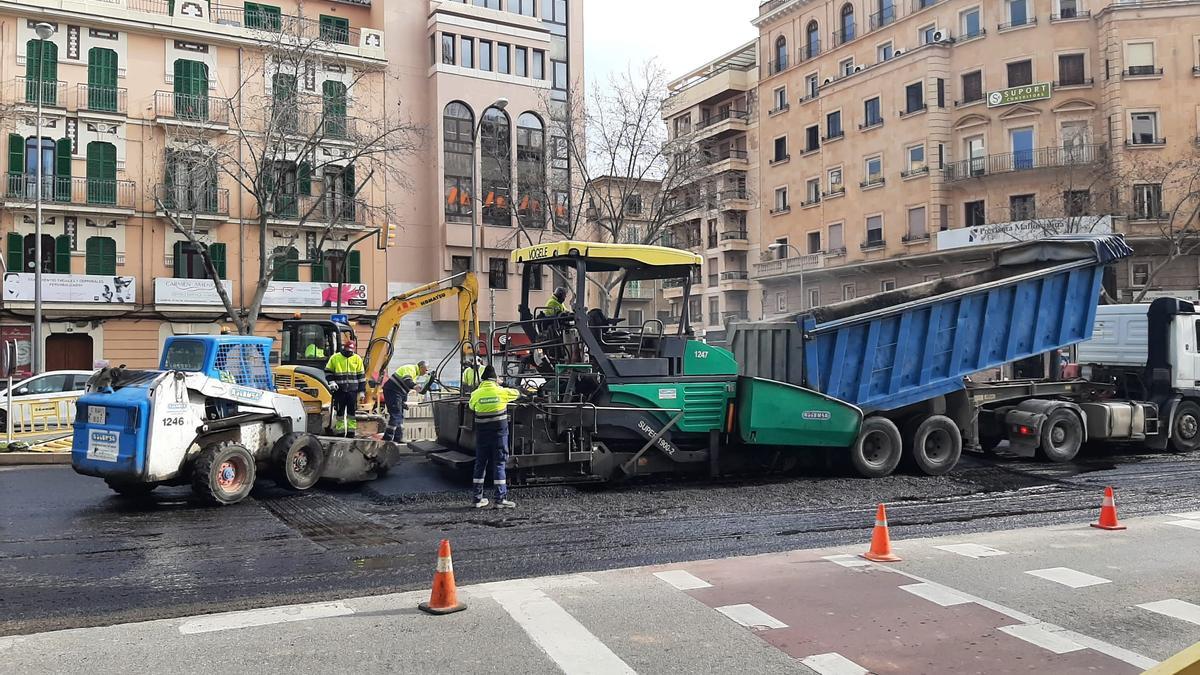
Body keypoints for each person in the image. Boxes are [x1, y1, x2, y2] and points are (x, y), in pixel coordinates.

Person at [468, 365, 520, 509]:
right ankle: (500, 499)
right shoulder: (501, 392)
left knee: (480, 464)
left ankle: (477, 499)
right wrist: (503, 384)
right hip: (498, 434)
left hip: (482, 434)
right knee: (499, 464)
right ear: (495, 379)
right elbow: (517, 393)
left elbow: (472, 407)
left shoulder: (476, 394)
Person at [324, 344, 366, 437]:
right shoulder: (335, 358)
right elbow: (328, 371)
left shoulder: (357, 359)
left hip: (352, 391)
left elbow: (361, 376)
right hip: (339, 390)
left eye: (351, 351)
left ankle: (351, 432)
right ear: (344, 348)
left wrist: (361, 391)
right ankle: (340, 432)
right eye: (348, 350)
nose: (349, 352)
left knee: (352, 413)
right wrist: (331, 382)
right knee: (340, 412)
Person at [382, 360, 427, 442]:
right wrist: (415, 386)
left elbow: (405, 389)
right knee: (396, 415)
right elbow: (407, 380)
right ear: (421, 367)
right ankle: (387, 439)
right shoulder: (411, 369)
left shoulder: (415, 374)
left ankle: (398, 438)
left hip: (396, 392)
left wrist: (403, 402)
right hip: (392, 391)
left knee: (399, 416)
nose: (426, 372)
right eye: (426, 369)